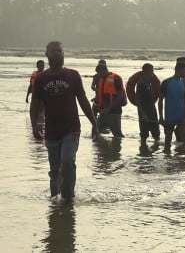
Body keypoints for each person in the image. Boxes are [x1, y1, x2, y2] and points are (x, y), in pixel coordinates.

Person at [30, 41, 98, 200]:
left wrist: (94, 123)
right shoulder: (41, 79)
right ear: (46, 54)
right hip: (52, 132)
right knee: (55, 170)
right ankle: (55, 202)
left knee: (67, 161)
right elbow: (34, 105)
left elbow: (83, 100)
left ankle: (68, 198)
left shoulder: (73, 75)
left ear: (63, 54)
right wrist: (34, 126)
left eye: (59, 51)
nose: (57, 53)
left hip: (71, 129)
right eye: (53, 51)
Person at [158, 61, 185, 151]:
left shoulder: (184, 83)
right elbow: (160, 101)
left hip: (182, 116)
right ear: (179, 70)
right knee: (167, 140)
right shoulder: (166, 83)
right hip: (169, 117)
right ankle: (167, 160)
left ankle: (184, 161)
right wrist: (161, 117)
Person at [95, 60, 126, 137]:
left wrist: (109, 108)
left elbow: (120, 96)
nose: (99, 75)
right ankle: (100, 147)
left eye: (99, 73)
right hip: (103, 111)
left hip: (114, 112)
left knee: (117, 134)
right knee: (96, 130)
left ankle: (117, 147)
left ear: (104, 70)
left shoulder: (116, 78)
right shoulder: (102, 79)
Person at [135, 63, 161, 147]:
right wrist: (143, 114)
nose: (153, 74)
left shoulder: (148, 83)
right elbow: (138, 99)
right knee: (144, 134)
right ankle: (143, 152)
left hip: (152, 111)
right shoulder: (141, 84)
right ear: (146, 72)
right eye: (151, 71)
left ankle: (155, 153)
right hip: (144, 112)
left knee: (156, 133)